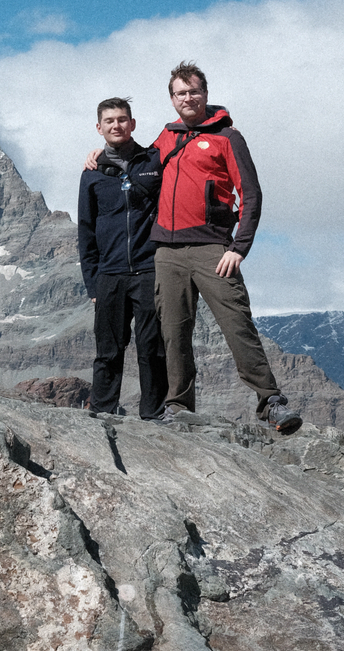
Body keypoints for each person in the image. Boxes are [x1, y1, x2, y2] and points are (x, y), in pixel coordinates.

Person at [150, 62, 301, 432]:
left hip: (213, 250)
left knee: (237, 325)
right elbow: (137, 168)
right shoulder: (165, 137)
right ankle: (178, 407)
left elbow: (251, 194)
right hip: (167, 253)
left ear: (205, 94)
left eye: (194, 91)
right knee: (174, 333)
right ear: (172, 99)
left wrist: (239, 247)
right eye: (180, 93)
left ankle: (271, 403)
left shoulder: (227, 137)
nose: (188, 98)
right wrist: (100, 157)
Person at [77, 98, 168, 420]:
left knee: (152, 349)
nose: (116, 125)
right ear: (99, 127)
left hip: (149, 270)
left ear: (132, 124)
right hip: (110, 275)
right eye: (109, 121)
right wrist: (93, 284)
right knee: (108, 351)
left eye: (122, 119)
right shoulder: (92, 173)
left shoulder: (155, 161)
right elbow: (86, 232)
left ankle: (154, 416)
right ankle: (102, 412)